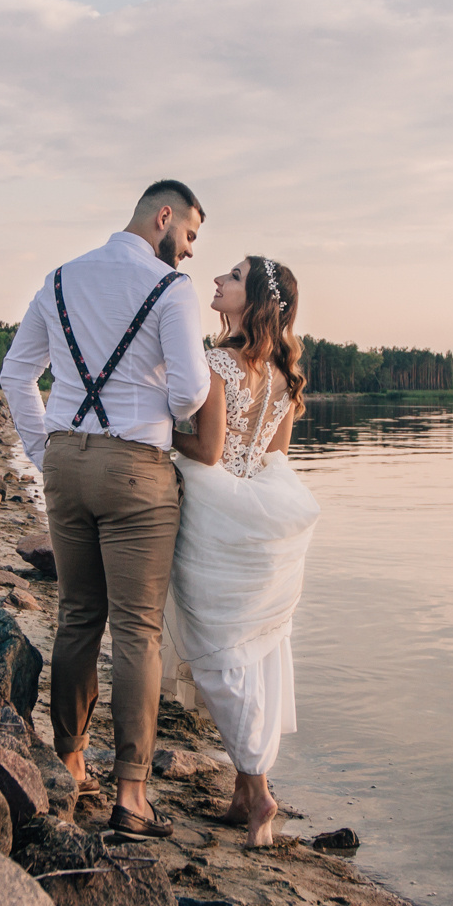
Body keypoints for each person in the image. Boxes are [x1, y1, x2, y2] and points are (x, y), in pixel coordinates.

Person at [0, 180, 210, 841]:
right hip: (135, 472)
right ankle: (132, 795)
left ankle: (69, 761)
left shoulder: (61, 279)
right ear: (164, 216)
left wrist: (44, 448)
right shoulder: (171, 290)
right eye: (192, 236)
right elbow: (189, 395)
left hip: (64, 462)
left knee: (79, 616)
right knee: (139, 631)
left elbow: (16, 374)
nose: (192, 251)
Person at [165, 255, 319, 848]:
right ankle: (241, 789)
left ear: (251, 300)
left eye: (231, 277)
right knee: (255, 646)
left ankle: (257, 793)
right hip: (260, 509)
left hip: (212, 511)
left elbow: (205, 452)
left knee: (214, 647)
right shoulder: (283, 375)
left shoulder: (217, 363)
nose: (218, 281)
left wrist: (157, 430)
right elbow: (274, 453)